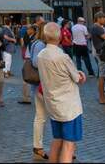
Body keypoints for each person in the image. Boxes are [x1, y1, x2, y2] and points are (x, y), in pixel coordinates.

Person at [37, 22, 86, 164]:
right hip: (68, 106)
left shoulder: (41, 55)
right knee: (69, 144)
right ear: (59, 37)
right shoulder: (62, 57)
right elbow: (77, 78)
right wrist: (81, 74)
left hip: (53, 104)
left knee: (57, 140)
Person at [30, 23, 49, 161]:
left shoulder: (36, 42)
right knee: (42, 117)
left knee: (40, 117)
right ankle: (39, 147)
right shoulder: (41, 44)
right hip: (43, 85)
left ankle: (38, 147)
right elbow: (36, 62)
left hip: (39, 85)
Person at [90, 12, 105, 104]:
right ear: (98, 18)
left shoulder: (98, 27)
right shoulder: (97, 27)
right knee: (103, 75)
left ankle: (103, 96)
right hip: (102, 53)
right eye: (103, 18)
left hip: (101, 53)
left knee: (104, 75)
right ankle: (102, 97)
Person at [18, 24, 36, 105]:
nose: (27, 30)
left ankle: (27, 97)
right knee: (26, 79)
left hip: (29, 59)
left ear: (33, 30)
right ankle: (26, 97)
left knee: (27, 78)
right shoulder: (29, 36)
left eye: (28, 29)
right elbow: (24, 43)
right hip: (28, 58)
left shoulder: (34, 38)